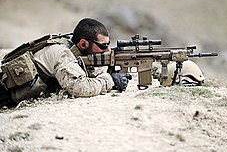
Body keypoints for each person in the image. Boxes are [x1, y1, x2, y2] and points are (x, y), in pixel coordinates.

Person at [0, 18, 130, 106]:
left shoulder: (74, 48)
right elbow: (80, 88)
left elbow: (85, 70)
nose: (107, 50)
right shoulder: (63, 53)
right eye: (102, 46)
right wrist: (110, 81)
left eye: (108, 45)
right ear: (83, 43)